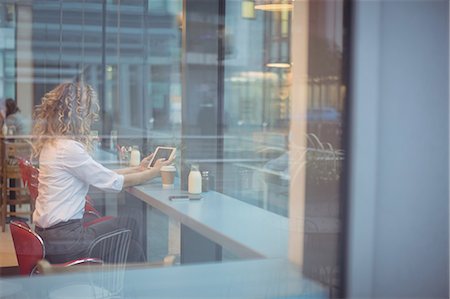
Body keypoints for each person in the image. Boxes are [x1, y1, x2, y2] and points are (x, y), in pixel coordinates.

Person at [31, 81, 174, 263]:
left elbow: (100, 174)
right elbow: (113, 183)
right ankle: (128, 281)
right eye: (89, 111)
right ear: (77, 114)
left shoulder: (53, 144)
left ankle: (119, 281)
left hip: (52, 239)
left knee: (132, 248)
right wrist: (155, 172)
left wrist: (139, 169)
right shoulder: (68, 148)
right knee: (130, 224)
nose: (93, 116)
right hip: (67, 241)